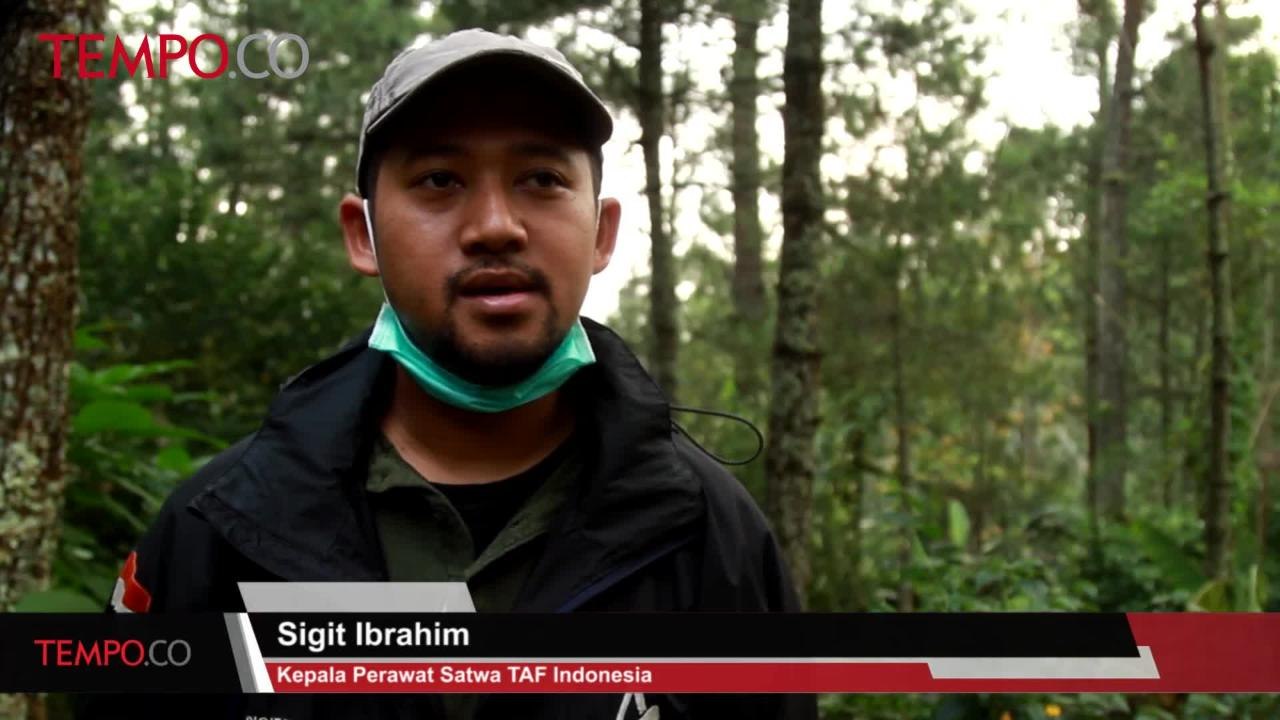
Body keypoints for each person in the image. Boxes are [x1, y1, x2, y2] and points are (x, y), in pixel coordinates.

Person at [103, 28, 814, 720]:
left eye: (541, 179)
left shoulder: (712, 540)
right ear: (363, 235)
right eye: (440, 180)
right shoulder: (220, 533)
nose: (496, 225)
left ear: (601, 234)